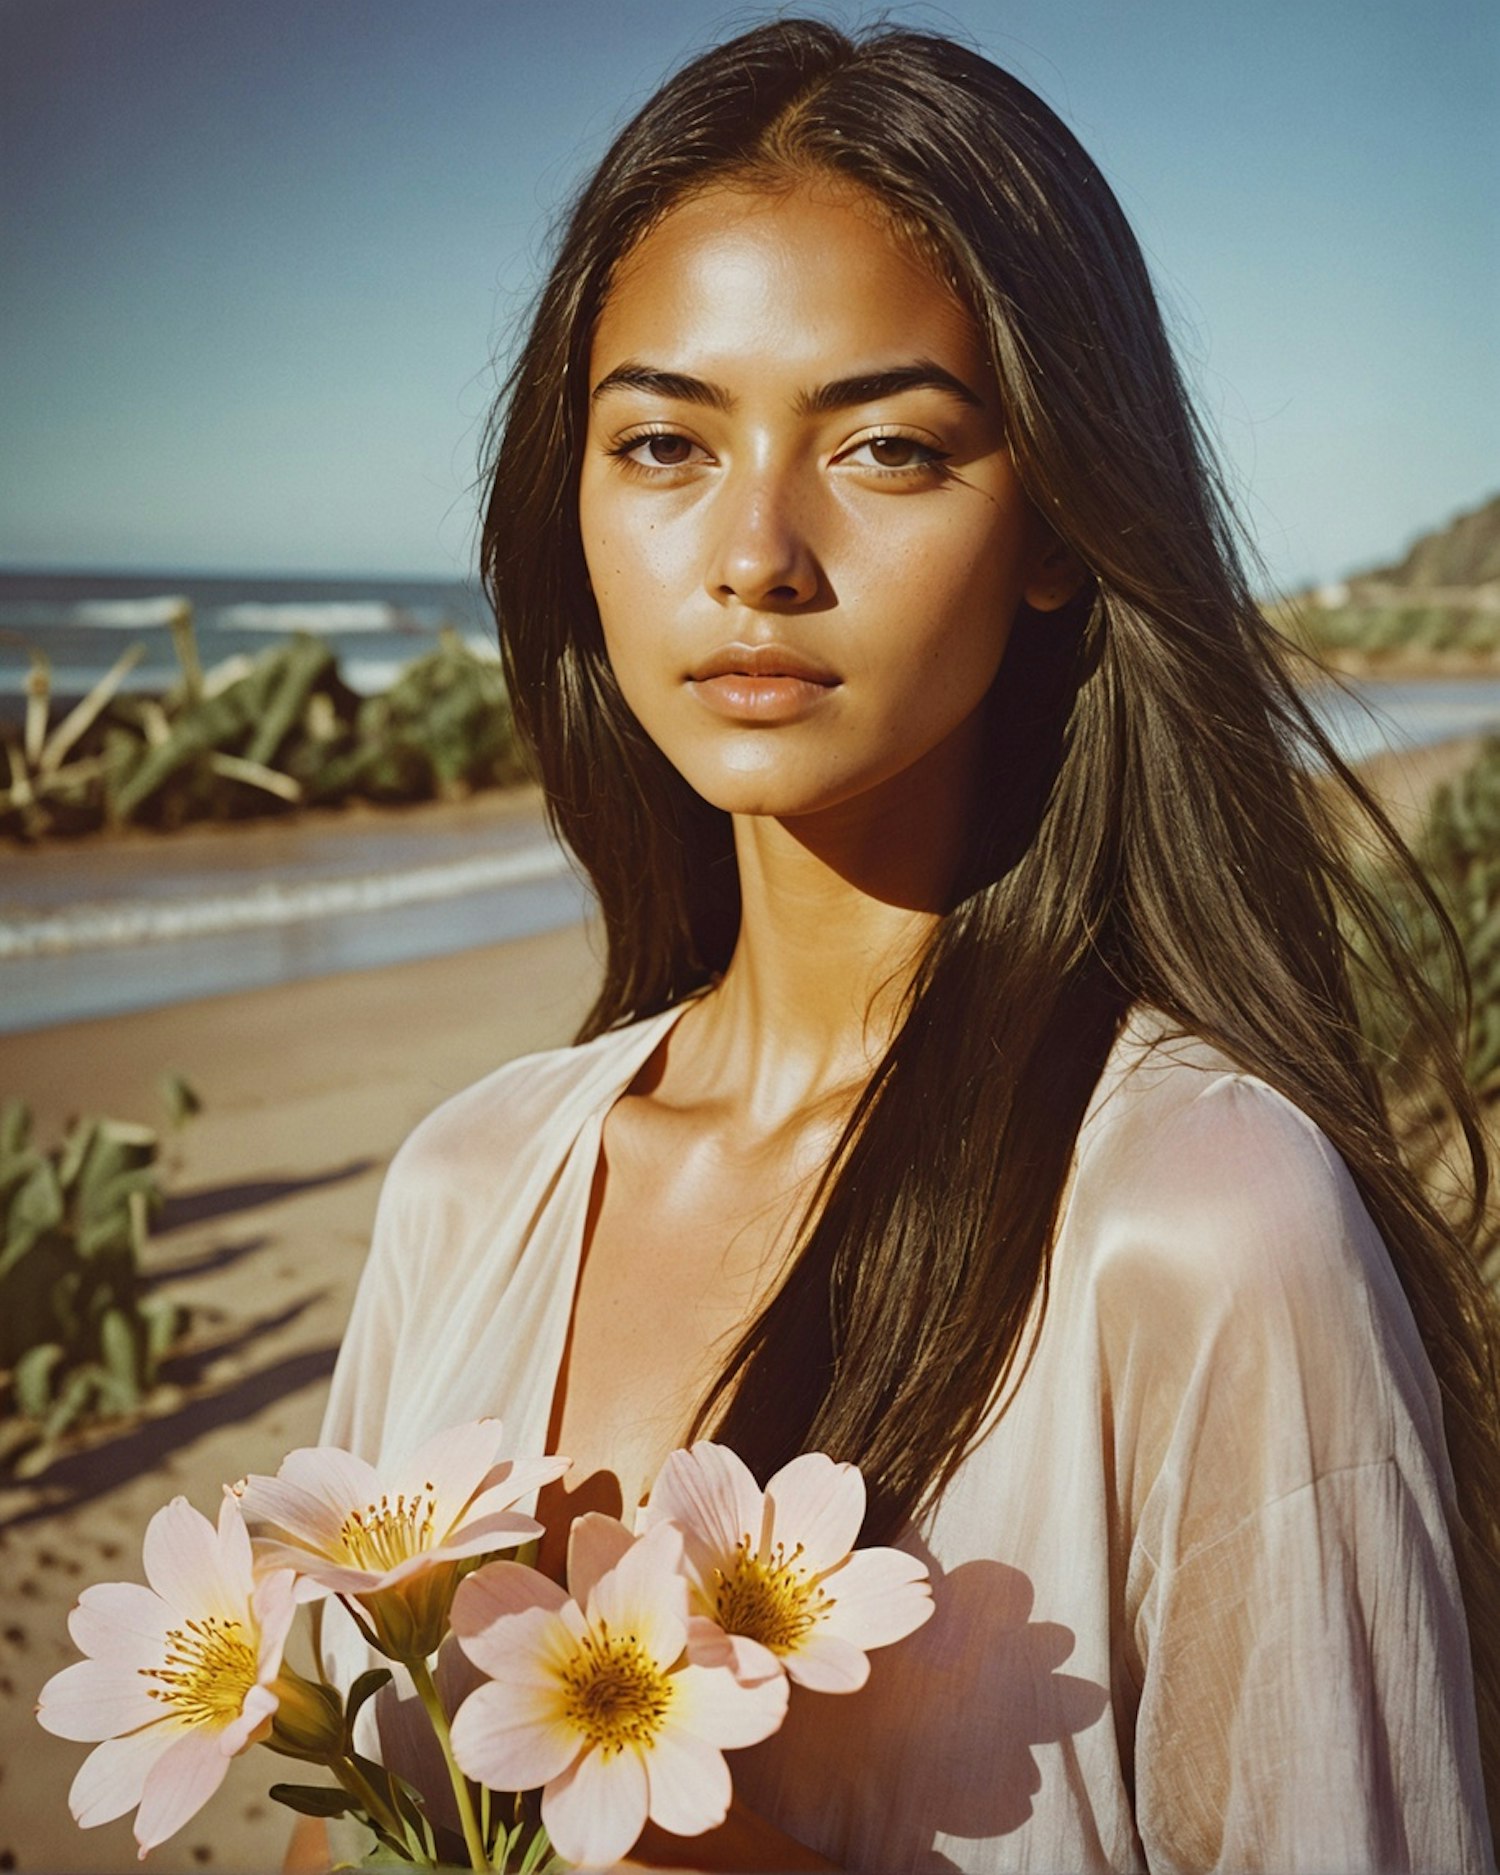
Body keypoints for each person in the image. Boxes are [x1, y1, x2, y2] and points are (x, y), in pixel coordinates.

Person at [318, 19, 1500, 1870]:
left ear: (1052, 520)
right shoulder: (468, 1191)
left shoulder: (1198, 1221)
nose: (756, 552)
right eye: (662, 441)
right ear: (575, 496)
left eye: (884, 444)